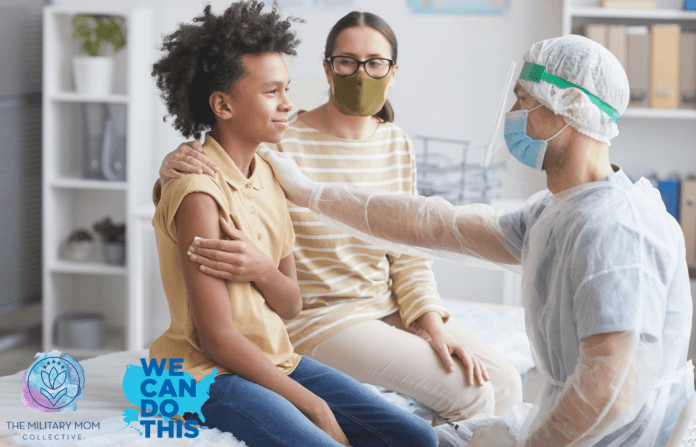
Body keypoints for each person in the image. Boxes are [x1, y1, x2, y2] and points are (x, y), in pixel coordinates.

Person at [257, 34, 694, 446]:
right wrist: (313, 194)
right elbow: (435, 226)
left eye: (523, 100)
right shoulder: (559, 212)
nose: (512, 115)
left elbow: (609, 395)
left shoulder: (613, 231)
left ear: (570, 108)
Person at [153, 9, 523, 426]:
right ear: (328, 70)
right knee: (471, 393)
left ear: (393, 72)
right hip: (321, 316)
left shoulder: (395, 144)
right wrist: (172, 162)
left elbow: (409, 252)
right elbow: (223, 166)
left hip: (384, 307)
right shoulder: (280, 139)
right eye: (346, 62)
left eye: (375, 63)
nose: (361, 74)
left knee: (506, 383)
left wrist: (430, 322)